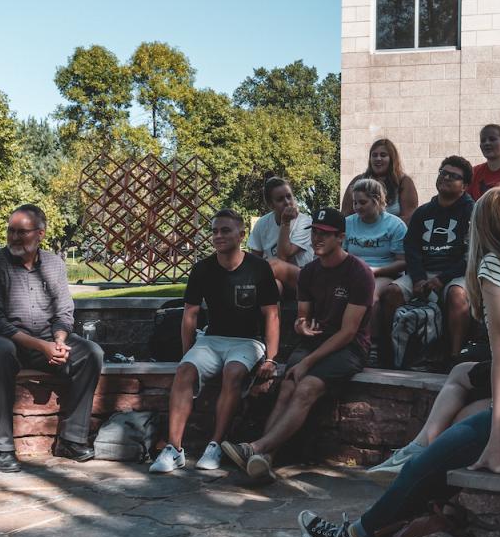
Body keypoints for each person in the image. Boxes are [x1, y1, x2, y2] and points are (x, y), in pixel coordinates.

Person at [298, 186, 500, 537]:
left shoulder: (497, 267)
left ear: (484, 226)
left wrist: (497, 447)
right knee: (458, 427)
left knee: (424, 464)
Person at [222, 208, 374, 481]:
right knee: (288, 386)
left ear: (340, 238)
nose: (317, 238)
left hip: (349, 347)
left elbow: (349, 331)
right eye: (314, 232)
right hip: (316, 340)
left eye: (325, 234)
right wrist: (300, 325)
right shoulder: (309, 273)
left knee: (306, 387)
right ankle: (264, 459)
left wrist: (308, 362)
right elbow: (304, 315)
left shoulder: (359, 273)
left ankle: (255, 448)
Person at [0, 204, 103, 473]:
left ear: (40, 234)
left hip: (44, 339)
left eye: (22, 232)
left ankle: (72, 440)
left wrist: (58, 340)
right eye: (11, 231)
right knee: (1, 353)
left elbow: (65, 311)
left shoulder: (54, 265)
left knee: (91, 353)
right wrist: (41, 346)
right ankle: (1, 449)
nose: (14, 237)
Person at [150, 209, 280, 473]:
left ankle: (216, 445)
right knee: (185, 370)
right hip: (212, 339)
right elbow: (190, 314)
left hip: (247, 342)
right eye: (214, 231)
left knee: (233, 372)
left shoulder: (259, 269)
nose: (218, 236)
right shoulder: (203, 269)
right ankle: (174, 449)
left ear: (241, 235)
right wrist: (188, 355)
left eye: (225, 230)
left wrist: (271, 358)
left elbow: (272, 315)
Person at [379, 156, 476, 369]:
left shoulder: (473, 211)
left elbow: (472, 254)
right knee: (392, 292)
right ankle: (388, 354)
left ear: (465, 186)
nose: (446, 178)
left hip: (456, 273)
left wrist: (443, 279)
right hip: (424, 272)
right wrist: (419, 278)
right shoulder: (423, 212)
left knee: (457, 296)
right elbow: (411, 248)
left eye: (454, 176)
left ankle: (453, 357)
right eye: (443, 172)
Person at [342, 178, 407, 362]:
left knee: (371, 297)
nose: (357, 207)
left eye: (363, 202)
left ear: (377, 200)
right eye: (355, 202)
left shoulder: (394, 225)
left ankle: (373, 346)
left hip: (384, 271)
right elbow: (342, 253)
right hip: (353, 271)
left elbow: (403, 262)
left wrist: (375, 270)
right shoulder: (348, 223)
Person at [248, 177, 314, 296]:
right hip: (274, 277)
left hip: (301, 277)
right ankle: (272, 315)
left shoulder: (305, 222)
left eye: (289, 196)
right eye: (280, 199)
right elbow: (255, 259)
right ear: (270, 204)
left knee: (275, 264)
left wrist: (285, 223)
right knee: (274, 286)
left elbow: (282, 257)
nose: (287, 202)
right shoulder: (262, 224)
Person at [339, 138, 420, 223]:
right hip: (360, 234)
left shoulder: (404, 182)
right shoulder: (358, 181)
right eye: (374, 155)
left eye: (383, 155)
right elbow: (345, 216)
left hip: (392, 234)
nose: (378, 158)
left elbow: (409, 218)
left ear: (392, 159)